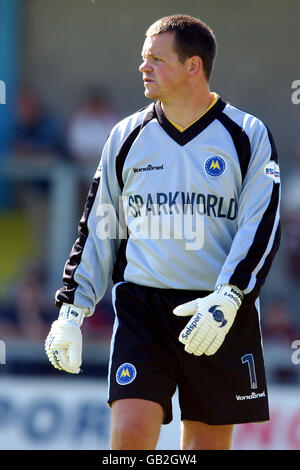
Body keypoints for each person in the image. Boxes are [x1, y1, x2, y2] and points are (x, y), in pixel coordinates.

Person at [45, 14, 281, 450]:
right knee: (130, 439)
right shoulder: (125, 136)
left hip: (218, 311)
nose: (144, 68)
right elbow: (99, 225)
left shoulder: (248, 134)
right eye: (143, 59)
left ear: (194, 66)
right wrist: (71, 312)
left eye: (156, 59)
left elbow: (261, 225)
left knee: (204, 448)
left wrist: (229, 298)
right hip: (143, 308)